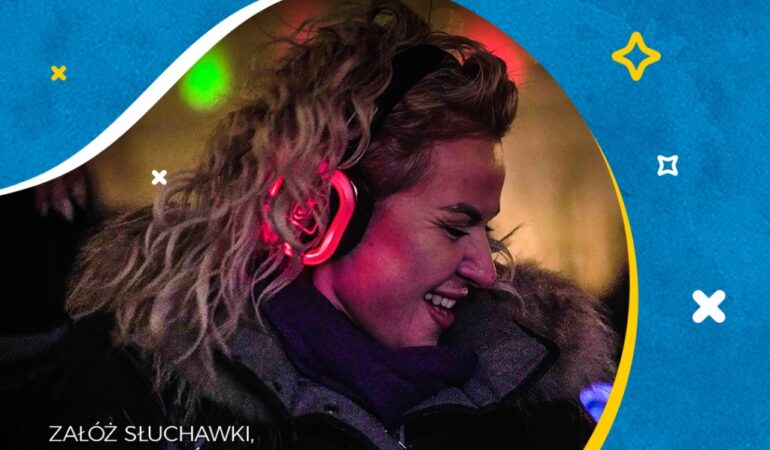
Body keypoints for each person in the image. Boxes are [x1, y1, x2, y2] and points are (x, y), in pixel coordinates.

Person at [26, 1, 617, 448]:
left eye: (485, 230)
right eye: (454, 227)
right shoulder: (135, 402)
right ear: (321, 211)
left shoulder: (539, 405)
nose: (487, 271)